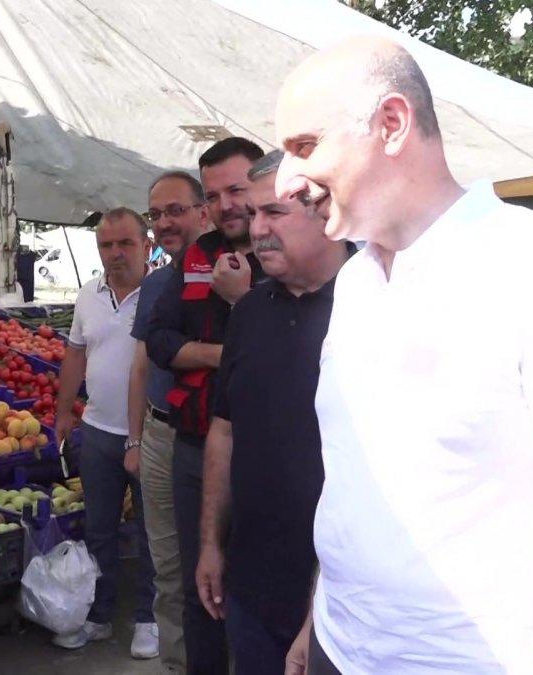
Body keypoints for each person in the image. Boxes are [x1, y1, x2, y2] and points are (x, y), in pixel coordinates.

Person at [275, 37, 533, 674]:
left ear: (392, 124)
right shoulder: (356, 282)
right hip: (340, 649)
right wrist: (317, 627)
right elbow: (355, 485)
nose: (284, 182)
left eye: (305, 147)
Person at [195, 151, 350, 673]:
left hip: (342, 600)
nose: (256, 229)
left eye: (274, 213)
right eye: (254, 214)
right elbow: (224, 431)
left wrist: (320, 602)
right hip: (251, 584)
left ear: (326, 211)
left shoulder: (374, 308)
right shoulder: (249, 312)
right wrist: (212, 544)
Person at [145, 136, 265, 674]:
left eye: (236, 190)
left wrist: (243, 302)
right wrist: (220, 354)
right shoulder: (200, 254)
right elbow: (159, 341)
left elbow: (289, 353)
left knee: (264, 591)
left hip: (266, 454)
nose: (225, 206)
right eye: (213, 196)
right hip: (196, 445)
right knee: (202, 585)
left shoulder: (286, 250)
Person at [54, 208, 159, 659]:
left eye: (125, 243)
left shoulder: (162, 293)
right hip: (97, 431)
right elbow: (75, 354)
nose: (115, 253)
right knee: (99, 529)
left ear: (146, 245)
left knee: (154, 533)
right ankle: (98, 614)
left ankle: (149, 618)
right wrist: (64, 412)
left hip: (152, 435)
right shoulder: (88, 295)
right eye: (106, 245)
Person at [125, 171, 211, 673]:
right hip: (160, 435)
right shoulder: (157, 283)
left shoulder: (233, 273)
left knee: (217, 563)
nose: (164, 223)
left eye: (176, 210)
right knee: (169, 566)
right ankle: (179, 664)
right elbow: (141, 366)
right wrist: (135, 441)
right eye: (156, 214)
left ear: (204, 212)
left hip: (215, 438)